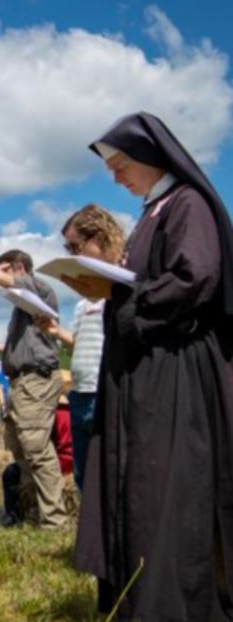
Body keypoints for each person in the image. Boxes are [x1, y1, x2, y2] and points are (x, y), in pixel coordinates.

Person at [73, 112, 233, 621]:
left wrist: (127, 300)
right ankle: (138, 596)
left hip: (176, 368)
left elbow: (196, 277)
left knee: (167, 488)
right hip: (145, 366)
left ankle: (173, 604)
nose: (115, 176)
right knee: (139, 482)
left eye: (121, 165)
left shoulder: (187, 204)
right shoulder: (152, 211)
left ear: (150, 158)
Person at [36, 203, 125, 490]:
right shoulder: (83, 302)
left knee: (111, 472)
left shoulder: (119, 290)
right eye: (68, 249)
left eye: (76, 247)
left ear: (99, 237)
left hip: (105, 390)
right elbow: (82, 343)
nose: (72, 255)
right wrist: (55, 332)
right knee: (83, 474)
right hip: (80, 390)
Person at [0, 250, 67, 529]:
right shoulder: (22, 304)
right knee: (22, 451)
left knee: (36, 449)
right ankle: (33, 511)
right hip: (22, 380)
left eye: (8, 269)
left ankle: (54, 520)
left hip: (35, 379)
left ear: (18, 267)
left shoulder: (35, 286)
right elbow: (26, 348)